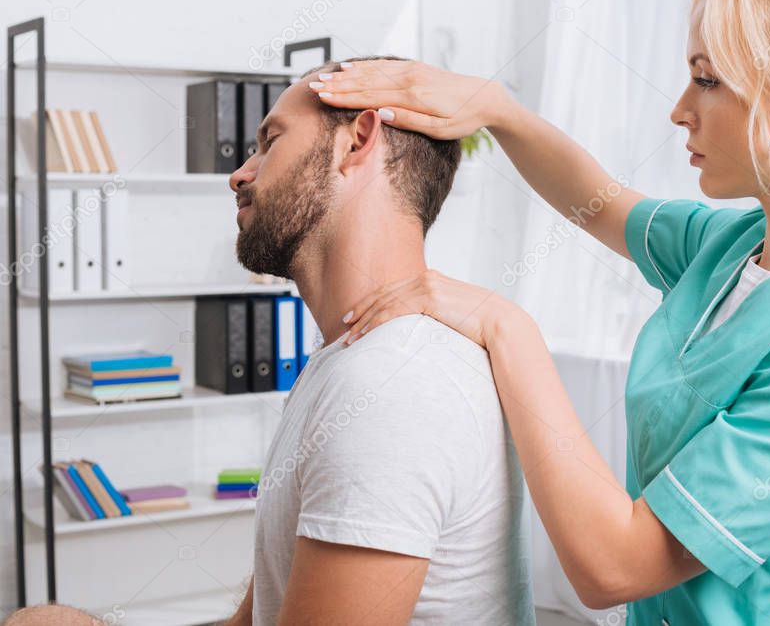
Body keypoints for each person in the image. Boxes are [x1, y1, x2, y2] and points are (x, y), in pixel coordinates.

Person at [312, 0, 770, 624]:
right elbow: (598, 200)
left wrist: (506, 327)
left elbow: (613, 565)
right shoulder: (733, 248)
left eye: (706, 80)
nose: (680, 110)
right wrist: (497, 109)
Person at [3, 56, 534, 626]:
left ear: (356, 142)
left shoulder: (388, 387)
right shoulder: (340, 363)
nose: (239, 173)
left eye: (270, 141)